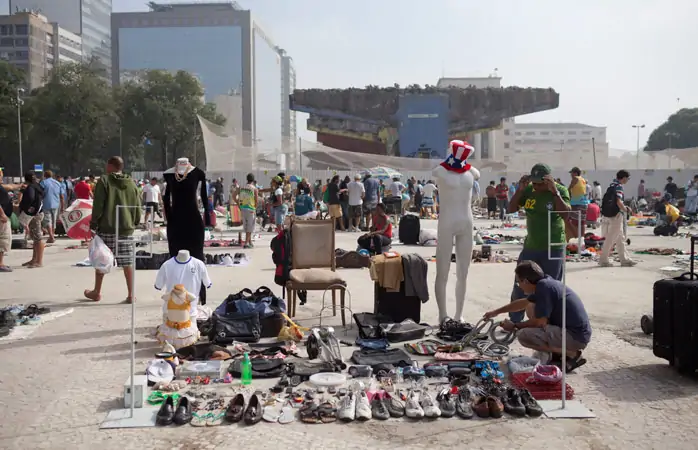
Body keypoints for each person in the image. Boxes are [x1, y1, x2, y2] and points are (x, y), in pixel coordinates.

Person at [483, 260, 591, 372]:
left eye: (518, 282)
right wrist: (496, 312)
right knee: (530, 306)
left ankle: (572, 354)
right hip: (576, 333)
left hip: (575, 337)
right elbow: (523, 303)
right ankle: (556, 353)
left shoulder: (544, 288)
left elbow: (540, 323)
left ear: (525, 281)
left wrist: (515, 325)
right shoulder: (545, 283)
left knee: (524, 336)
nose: (519, 286)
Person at [507, 163, 571, 322]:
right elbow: (511, 208)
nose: (535, 186)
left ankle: (548, 322)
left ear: (549, 180)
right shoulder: (529, 190)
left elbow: (565, 214)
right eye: (533, 182)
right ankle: (515, 320)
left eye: (539, 183)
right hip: (531, 246)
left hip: (553, 247)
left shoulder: (560, 191)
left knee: (550, 287)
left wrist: (555, 193)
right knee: (520, 284)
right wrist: (520, 190)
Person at [84, 157, 141, 303]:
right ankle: (131, 295)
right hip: (126, 228)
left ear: (110, 166)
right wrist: (134, 222)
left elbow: (98, 205)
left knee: (101, 257)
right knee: (127, 261)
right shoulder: (131, 183)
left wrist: (94, 223)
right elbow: (137, 205)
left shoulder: (104, 181)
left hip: (107, 227)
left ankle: (96, 292)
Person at [599, 170, 635, 267]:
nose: (627, 180)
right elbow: (619, 201)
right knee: (611, 238)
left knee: (620, 238)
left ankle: (624, 259)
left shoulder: (612, 185)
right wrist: (625, 209)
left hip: (609, 214)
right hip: (616, 215)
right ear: (624, 178)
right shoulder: (619, 187)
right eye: (628, 178)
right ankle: (603, 260)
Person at [18, 172, 45, 268]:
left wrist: (24, 208)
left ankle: (39, 261)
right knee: (35, 238)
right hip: (38, 212)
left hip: (34, 215)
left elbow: (30, 198)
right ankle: (34, 259)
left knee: (38, 238)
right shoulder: (38, 186)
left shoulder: (30, 188)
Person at [0, 167, 22, 273]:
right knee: (3, 240)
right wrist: (3, 214)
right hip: (2, 219)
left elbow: (10, 186)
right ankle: (0, 264)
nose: (1, 177)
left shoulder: (1, 187)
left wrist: (20, 186)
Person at [40, 170, 65, 244]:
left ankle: (51, 236)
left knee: (48, 220)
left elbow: (40, 193)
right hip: (56, 204)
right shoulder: (58, 183)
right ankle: (52, 236)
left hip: (46, 204)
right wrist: (62, 206)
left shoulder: (43, 183)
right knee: (54, 220)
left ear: (45, 175)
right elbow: (62, 196)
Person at [235, 173, 258, 248]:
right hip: (251, 209)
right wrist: (255, 209)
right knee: (250, 226)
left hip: (243, 208)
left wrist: (238, 205)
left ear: (247, 179)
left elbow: (233, 195)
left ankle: (250, 241)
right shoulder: (254, 189)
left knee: (246, 226)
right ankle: (246, 243)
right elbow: (256, 201)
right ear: (253, 180)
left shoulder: (241, 187)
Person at [567, 167, 589, 242]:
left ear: (575, 173)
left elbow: (568, 189)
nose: (571, 175)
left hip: (576, 203)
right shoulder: (583, 180)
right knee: (582, 222)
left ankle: (575, 239)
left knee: (574, 222)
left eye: (572, 173)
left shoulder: (575, 178)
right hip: (584, 203)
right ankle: (582, 239)